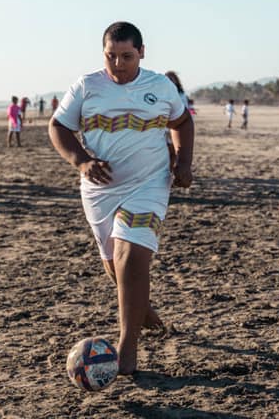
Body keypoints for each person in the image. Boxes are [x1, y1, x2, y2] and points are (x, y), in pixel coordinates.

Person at [48, 21, 194, 375]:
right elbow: (58, 126)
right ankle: (142, 309)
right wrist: (82, 161)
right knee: (113, 262)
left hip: (149, 184)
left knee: (131, 255)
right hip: (99, 189)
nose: (118, 64)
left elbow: (182, 123)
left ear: (141, 52)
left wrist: (183, 162)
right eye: (111, 56)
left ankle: (127, 348)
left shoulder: (160, 86)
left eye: (126, 56)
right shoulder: (87, 86)